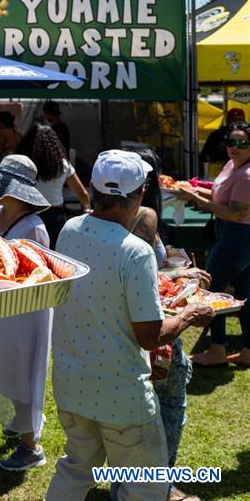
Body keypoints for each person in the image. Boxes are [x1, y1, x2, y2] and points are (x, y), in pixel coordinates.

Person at [45, 150, 214, 501]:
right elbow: (150, 337)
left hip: (72, 384)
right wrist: (188, 316)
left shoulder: (69, 231)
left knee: (76, 468)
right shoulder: (135, 251)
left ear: (91, 189)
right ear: (138, 196)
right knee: (144, 487)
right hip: (121, 395)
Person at [122, 147, 210, 501]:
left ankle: (130, 484)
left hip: (127, 322)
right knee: (168, 400)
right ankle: (159, 484)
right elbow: (144, 274)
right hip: (153, 322)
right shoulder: (143, 216)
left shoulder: (92, 221)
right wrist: (180, 274)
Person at [0, 155, 52, 471]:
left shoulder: (34, 227)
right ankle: (23, 420)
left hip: (26, 314)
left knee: (24, 371)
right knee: (7, 367)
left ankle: (31, 447)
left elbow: (38, 275)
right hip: (2, 308)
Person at [174, 121, 250, 368]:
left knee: (210, 289)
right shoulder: (231, 165)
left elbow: (234, 213)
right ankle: (248, 351)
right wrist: (189, 189)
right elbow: (219, 195)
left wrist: (194, 197)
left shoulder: (247, 175)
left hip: (237, 236)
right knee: (245, 294)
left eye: (242, 143)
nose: (235, 148)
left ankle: (217, 349)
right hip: (233, 236)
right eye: (231, 142)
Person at [19, 123, 90, 248]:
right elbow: (82, 194)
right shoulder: (63, 165)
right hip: (56, 216)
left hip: (31, 214)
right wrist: (86, 210)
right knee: (55, 257)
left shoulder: (26, 165)